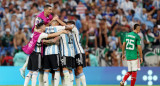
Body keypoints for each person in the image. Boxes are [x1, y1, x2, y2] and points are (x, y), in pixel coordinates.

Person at [23, 21, 69, 86]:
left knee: (30, 71)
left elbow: (36, 28)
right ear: (41, 28)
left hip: (31, 53)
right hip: (37, 54)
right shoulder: (41, 34)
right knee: (36, 72)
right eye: (44, 26)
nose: (46, 27)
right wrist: (61, 32)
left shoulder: (33, 33)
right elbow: (51, 35)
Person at [67, 21, 87, 86]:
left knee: (79, 70)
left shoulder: (75, 29)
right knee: (76, 72)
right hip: (73, 54)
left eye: (68, 25)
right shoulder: (69, 33)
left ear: (73, 25)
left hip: (79, 52)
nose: (67, 27)